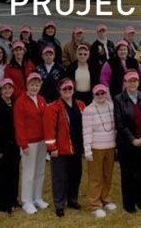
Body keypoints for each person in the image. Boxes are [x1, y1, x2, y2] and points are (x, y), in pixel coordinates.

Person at [44, 78, 87, 217]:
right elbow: (49, 130)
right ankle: (59, 204)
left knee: (76, 175)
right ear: (59, 91)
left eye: (70, 88)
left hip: (77, 147)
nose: (68, 91)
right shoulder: (53, 107)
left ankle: (72, 200)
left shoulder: (80, 105)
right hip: (61, 149)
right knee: (60, 177)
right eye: (65, 89)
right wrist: (52, 148)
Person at [113, 72, 141, 213]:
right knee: (128, 173)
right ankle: (129, 203)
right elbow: (120, 124)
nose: (132, 83)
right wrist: (132, 139)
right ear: (125, 82)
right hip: (127, 143)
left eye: (135, 81)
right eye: (129, 81)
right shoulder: (118, 99)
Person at [14, 73, 49, 214]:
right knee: (29, 172)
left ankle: (37, 197)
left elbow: (46, 120)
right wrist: (23, 144)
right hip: (29, 142)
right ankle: (26, 200)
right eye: (32, 84)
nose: (34, 87)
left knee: (40, 170)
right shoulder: (20, 102)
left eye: (37, 84)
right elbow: (19, 125)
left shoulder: (41, 99)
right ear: (27, 85)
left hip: (42, 141)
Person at [83, 84, 118, 218]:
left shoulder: (111, 106)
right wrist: (87, 151)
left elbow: (114, 127)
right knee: (95, 177)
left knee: (107, 175)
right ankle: (95, 204)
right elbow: (86, 132)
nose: (100, 96)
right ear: (93, 95)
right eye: (97, 94)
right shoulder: (88, 110)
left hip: (110, 146)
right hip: (96, 148)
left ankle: (105, 198)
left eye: (102, 93)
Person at [0, 78, 21, 213]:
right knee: (3, 175)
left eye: (10, 88)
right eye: (5, 88)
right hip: (2, 146)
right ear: (0, 90)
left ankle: (14, 199)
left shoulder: (15, 103)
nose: (8, 91)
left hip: (14, 145)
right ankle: (4, 203)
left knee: (14, 173)